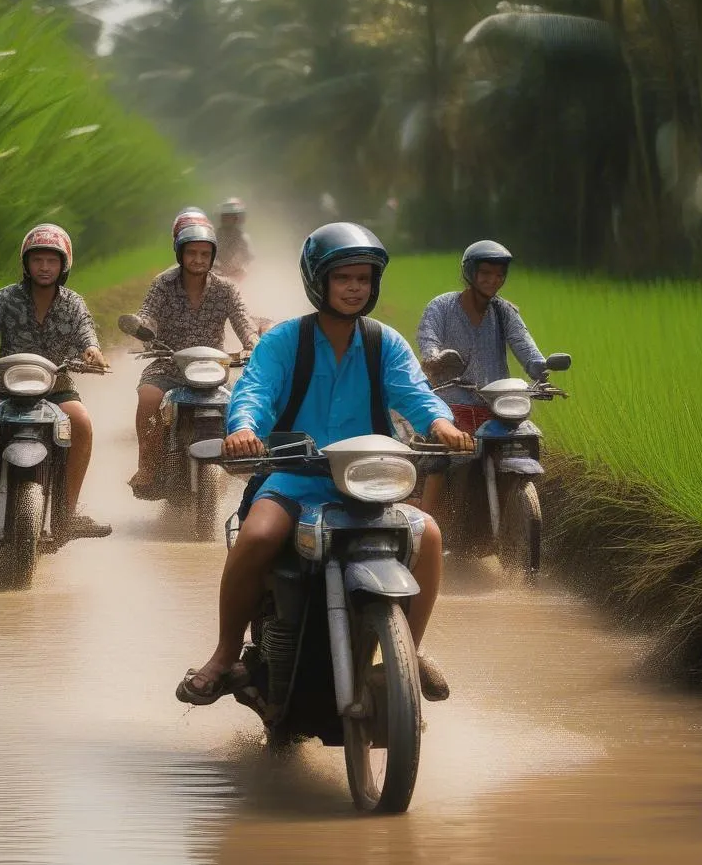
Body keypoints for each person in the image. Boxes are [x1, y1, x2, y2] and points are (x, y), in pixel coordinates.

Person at [175, 222, 473, 708]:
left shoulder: (385, 343)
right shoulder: (284, 341)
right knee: (258, 534)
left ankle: (407, 654)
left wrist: (441, 425)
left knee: (430, 535)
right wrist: (243, 429)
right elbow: (254, 392)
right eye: (343, 278)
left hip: (367, 481)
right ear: (319, 281)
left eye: (363, 279)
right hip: (296, 477)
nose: (355, 288)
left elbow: (417, 396)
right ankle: (226, 654)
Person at [0, 223, 111, 540]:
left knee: (82, 422)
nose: (45, 267)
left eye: (52, 261)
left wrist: (92, 352)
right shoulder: (7, 297)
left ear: (64, 265)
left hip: (56, 386)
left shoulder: (73, 303)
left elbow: (87, 336)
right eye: (38, 260)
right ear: (26, 263)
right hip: (5, 384)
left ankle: (68, 512)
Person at [128, 221, 260, 498]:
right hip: (169, 361)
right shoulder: (163, 283)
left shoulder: (226, 288)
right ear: (180, 254)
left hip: (212, 366)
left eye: (204, 254)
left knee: (243, 400)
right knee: (148, 397)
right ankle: (148, 466)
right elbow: (148, 313)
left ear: (212, 257)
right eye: (192, 253)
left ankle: (245, 462)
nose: (198, 260)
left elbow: (243, 320)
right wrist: (144, 328)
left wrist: (253, 344)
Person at [416, 239, 547, 514]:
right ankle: (427, 526)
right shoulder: (441, 306)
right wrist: (435, 358)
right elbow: (428, 339)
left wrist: (540, 370)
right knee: (438, 462)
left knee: (521, 444)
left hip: (495, 407)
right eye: (486, 273)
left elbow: (524, 344)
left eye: (499, 275)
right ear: (470, 272)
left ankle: (513, 510)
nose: (493, 280)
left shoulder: (504, 311)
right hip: (451, 405)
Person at [214, 197, 254, 278]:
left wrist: (243, 269)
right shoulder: (215, 236)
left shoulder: (243, 238)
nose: (228, 219)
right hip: (217, 274)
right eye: (226, 216)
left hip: (236, 276)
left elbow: (249, 259)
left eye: (232, 216)